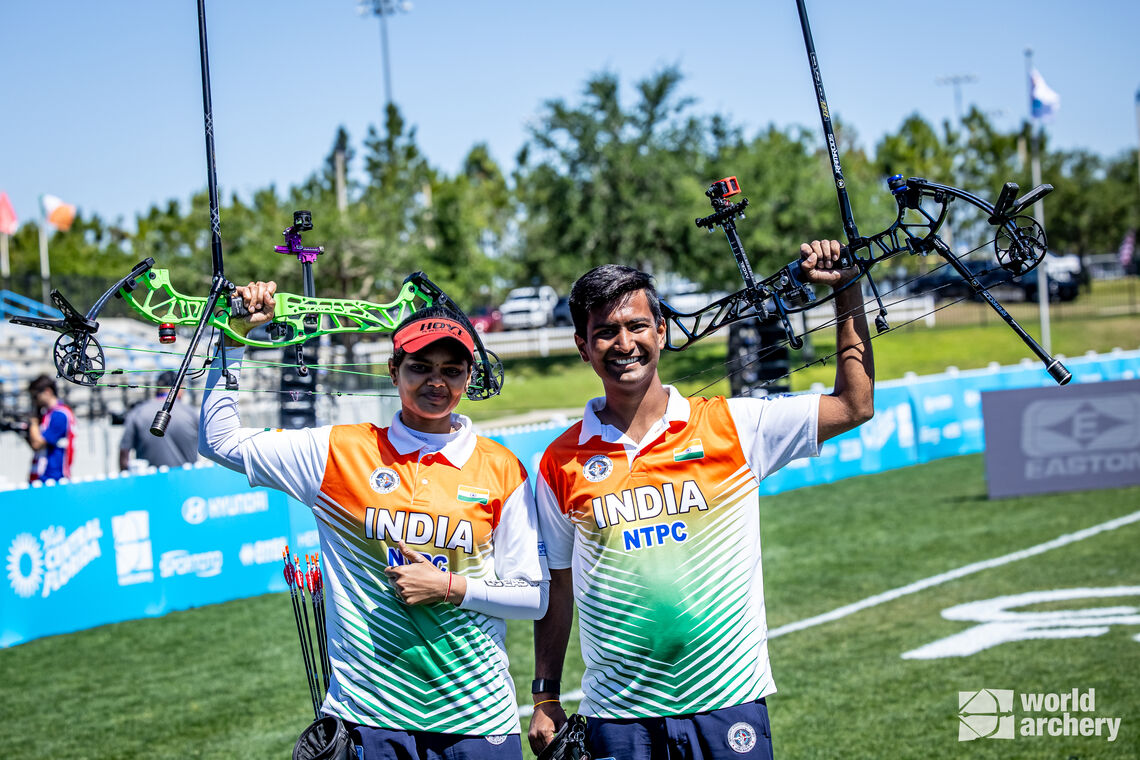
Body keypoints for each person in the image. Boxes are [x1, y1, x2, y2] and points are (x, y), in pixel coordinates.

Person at [528, 241, 875, 760]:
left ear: (661, 331)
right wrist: (546, 695)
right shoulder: (560, 461)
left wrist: (847, 290)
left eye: (637, 326)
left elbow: (854, 404)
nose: (624, 343)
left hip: (728, 700)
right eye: (605, 332)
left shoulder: (732, 425)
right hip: (617, 715)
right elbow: (558, 583)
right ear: (583, 346)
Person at [198, 280, 549, 760]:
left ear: (469, 377)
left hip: (479, 721)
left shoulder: (501, 468)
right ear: (393, 370)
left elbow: (532, 596)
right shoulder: (339, 451)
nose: (436, 382)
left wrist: (449, 587)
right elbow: (218, 441)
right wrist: (234, 340)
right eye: (419, 367)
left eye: (452, 370)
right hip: (367, 720)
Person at [119, 370, 199, 471]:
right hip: (186, 481)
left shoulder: (137, 412)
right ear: (180, 389)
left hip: (149, 482)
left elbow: (124, 453)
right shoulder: (191, 413)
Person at [26, 374, 76, 483]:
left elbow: (37, 444)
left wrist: (33, 422)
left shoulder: (60, 414)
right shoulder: (47, 414)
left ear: (47, 392)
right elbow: (36, 447)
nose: (35, 401)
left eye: (36, 396)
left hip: (54, 476)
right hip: (42, 476)